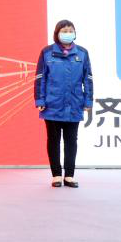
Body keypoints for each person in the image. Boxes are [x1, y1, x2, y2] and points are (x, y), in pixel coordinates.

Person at [34, 19, 93, 188]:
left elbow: (88, 78)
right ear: (57, 33)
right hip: (52, 103)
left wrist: (88, 100)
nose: (68, 34)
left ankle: (69, 175)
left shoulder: (82, 53)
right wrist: (40, 99)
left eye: (70, 30)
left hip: (74, 103)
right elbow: (40, 78)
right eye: (64, 31)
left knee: (71, 140)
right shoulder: (47, 52)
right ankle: (56, 175)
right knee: (53, 140)